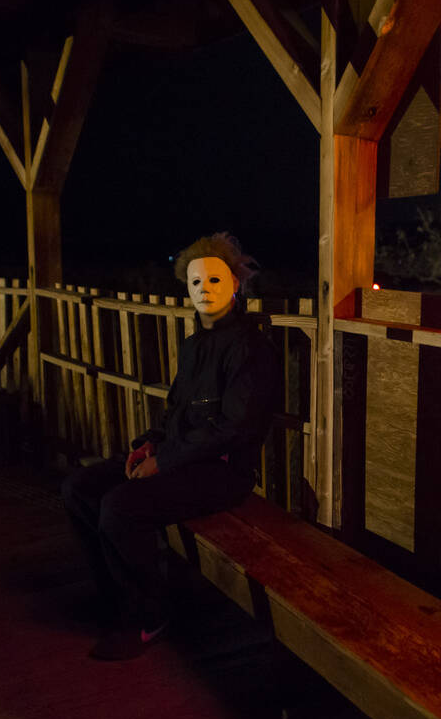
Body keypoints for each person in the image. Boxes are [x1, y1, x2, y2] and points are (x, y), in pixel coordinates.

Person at [61, 232, 278, 661]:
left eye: (215, 280)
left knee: (121, 507)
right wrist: (148, 445)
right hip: (181, 457)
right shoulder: (195, 344)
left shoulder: (251, 348)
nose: (205, 289)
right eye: (195, 282)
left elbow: (233, 427)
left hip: (222, 471)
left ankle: (148, 616)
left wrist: (165, 461)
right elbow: (178, 410)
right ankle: (118, 599)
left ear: (236, 284)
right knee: (80, 487)